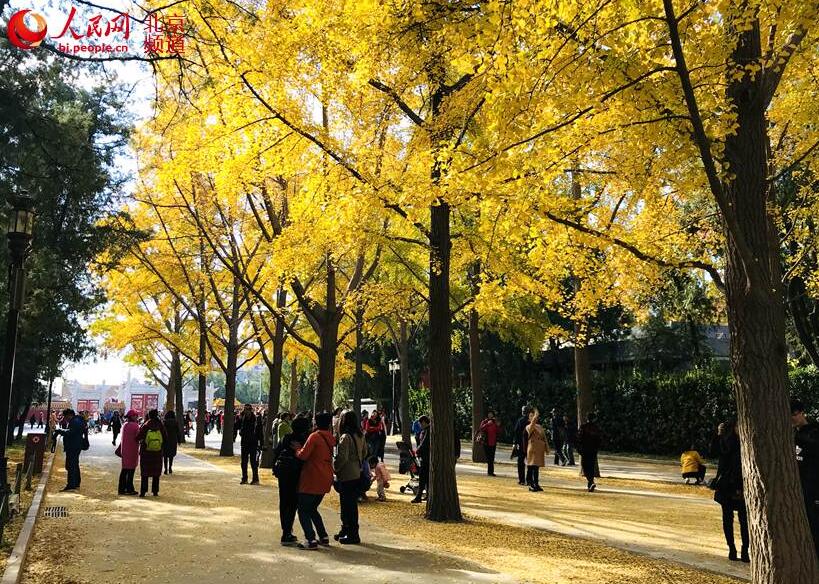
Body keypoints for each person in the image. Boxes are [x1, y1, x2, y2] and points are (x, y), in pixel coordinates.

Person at [294, 411, 335, 550]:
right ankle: (323, 536)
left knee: (303, 509)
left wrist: (297, 449)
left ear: (316, 422)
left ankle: (310, 539)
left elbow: (303, 455)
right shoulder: (330, 437)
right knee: (312, 508)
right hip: (325, 476)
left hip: (312, 476)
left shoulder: (315, 437)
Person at [713, 421, 749, 562]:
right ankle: (744, 550)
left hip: (725, 486)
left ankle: (732, 549)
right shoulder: (742, 445)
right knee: (744, 521)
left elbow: (713, 452)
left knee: (728, 520)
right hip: (738, 486)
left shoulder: (724, 443)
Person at [274, 416, 309, 546]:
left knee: (284, 501)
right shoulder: (304, 440)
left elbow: (276, 451)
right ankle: (288, 531)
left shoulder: (286, 437)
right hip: (295, 472)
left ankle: (286, 530)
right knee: (293, 502)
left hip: (283, 471)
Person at [334, 410, 368, 544]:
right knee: (351, 504)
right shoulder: (360, 435)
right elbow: (365, 452)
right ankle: (347, 530)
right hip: (356, 473)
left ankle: (352, 533)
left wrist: (335, 467)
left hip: (346, 473)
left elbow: (342, 457)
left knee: (347, 505)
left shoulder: (345, 437)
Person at [791, 399, 819, 556]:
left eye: (794, 414)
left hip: (813, 487)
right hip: (797, 487)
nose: (792, 419)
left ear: (802, 413)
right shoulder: (794, 433)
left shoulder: (814, 431)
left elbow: (813, 446)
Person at [136, 409, 168, 497]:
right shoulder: (160, 425)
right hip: (157, 452)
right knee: (156, 473)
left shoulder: (146, 425)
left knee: (145, 472)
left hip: (146, 451)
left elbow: (139, 436)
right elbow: (165, 437)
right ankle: (155, 491)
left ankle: (143, 491)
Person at [54, 408, 86, 491]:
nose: (65, 418)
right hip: (75, 445)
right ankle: (76, 483)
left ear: (69, 415)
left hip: (73, 446)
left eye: (65, 416)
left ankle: (71, 484)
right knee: (74, 464)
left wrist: (60, 430)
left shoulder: (75, 422)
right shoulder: (77, 420)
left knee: (70, 465)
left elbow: (71, 432)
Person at [577, 413, 602, 492]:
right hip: (592, 450)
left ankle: (590, 481)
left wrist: (579, 449)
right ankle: (590, 482)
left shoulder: (583, 427)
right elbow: (599, 439)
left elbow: (579, 438)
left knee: (585, 466)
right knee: (590, 466)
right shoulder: (596, 428)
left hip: (585, 449)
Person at [239, 404, 262, 484]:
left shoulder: (256, 419)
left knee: (253, 462)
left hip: (253, 443)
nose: (246, 411)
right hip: (244, 442)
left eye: (248, 409)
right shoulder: (242, 418)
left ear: (251, 410)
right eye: (245, 409)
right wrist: (239, 418)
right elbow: (238, 427)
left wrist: (261, 444)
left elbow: (260, 432)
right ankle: (244, 478)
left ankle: (255, 479)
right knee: (243, 462)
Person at [118, 410, 140, 495]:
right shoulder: (135, 426)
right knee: (131, 471)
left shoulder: (125, 425)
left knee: (124, 470)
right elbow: (138, 437)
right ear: (132, 416)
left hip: (125, 450)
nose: (136, 417)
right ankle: (129, 488)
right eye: (135, 416)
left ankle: (121, 489)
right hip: (133, 450)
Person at [526, 409, 548, 492]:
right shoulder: (528, 427)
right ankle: (531, 484)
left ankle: (536, 483)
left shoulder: (539, 426)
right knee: (532, 467)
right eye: (531, 416)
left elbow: (544, 437)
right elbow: (532, 426)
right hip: (532, 448)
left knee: (537, 467)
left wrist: (546, 448)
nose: (533, 418)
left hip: (539, 449)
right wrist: (535, 415)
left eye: (533, 416)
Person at [411, 415, 430, 503]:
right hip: (424, 457)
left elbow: (424, 444)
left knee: (423, 477)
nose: (420, 425)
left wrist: (417, 451)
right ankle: (428, 495)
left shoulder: (428, 431)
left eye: (420, 423)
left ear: (424, 422)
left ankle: (419, 496)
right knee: (425, 478)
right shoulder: (424, 431)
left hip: (426, 457)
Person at [478, 410, 501, 476]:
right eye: (489, 414)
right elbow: (481, 429)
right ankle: (489, 471)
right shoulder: (484, 421)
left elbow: (498, 431)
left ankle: (491, 472)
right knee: (488, 458)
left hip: (493, 442)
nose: (490, 415)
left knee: (492, 457)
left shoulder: (495, 422)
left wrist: (498, 426)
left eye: (491, 414)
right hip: (486, 442)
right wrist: (487, 424)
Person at [513, 406, 531, 485]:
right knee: (530, 463)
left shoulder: (520, 421)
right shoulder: (532, 421)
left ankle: (522, 479)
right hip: (530, 444)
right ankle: (529, 480)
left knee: (520, 462)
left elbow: (516, 433)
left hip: (521, 444)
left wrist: (515, 443)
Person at [162, 410, 182, 475]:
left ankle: (165, 469)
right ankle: (170, 467)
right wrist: (179, 440)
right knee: (171, 455)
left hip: (165, 439)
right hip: (173, 440)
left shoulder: (164, 422)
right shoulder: (175, 422)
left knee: (165, 455)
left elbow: (162, 431)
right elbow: (178, 432)